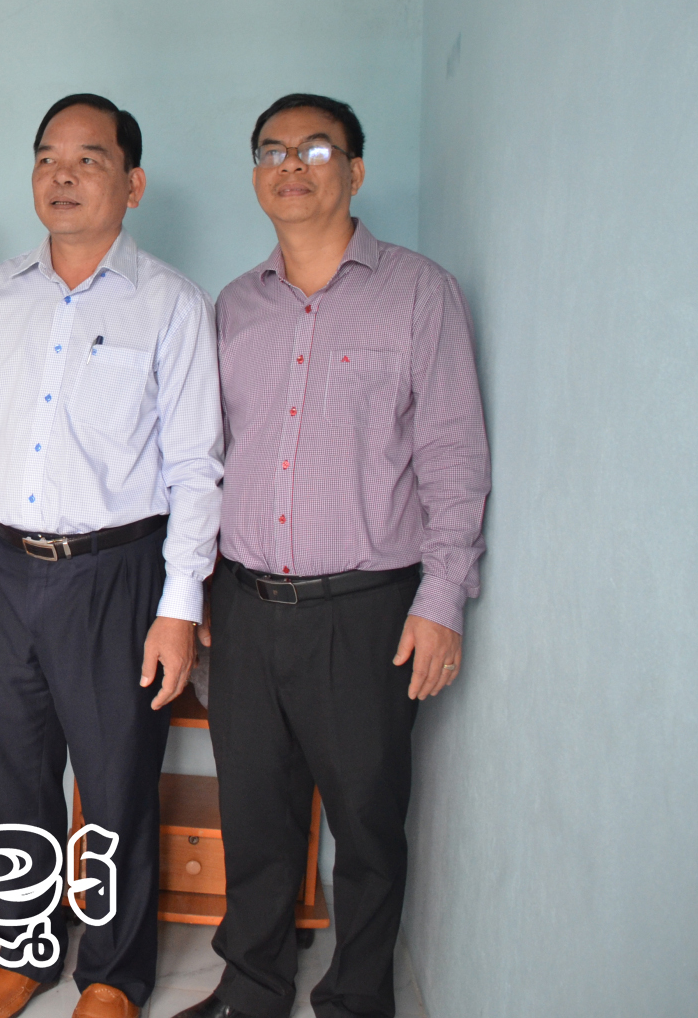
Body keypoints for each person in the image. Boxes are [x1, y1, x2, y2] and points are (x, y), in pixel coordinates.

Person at [173, 95, 489, 1018]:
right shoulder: (234, 306)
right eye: (272, 150)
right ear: (256, 173)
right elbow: (204, 459)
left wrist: (443, 598)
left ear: (355, 169)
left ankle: (356, 999)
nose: (292, 164)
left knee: (367, 821)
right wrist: (195, 593)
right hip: (244, 605)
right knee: (254, 814)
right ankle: (252, 987)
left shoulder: (419, 293)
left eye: (315, 149)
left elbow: (453, 455)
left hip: (367, 610)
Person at [0, 95, 223, 1018]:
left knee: (116, 777)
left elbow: (195, 463)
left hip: (115, 574)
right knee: (9, 769)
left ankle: (114, 972)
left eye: (88, 158)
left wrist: (179, 605)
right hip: (1, 568)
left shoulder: (169, 301)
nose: (62, 174)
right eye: (48, 156)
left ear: (133, 182)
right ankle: (25, 945)